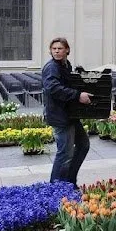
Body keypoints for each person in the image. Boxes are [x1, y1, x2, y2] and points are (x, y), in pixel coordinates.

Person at [42, 38, 91, 185]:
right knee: (64, 154)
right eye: (54, 49)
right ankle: (56, 187)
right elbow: (53, 88)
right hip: (60, 116)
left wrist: (79, 76)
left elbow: (68, 83)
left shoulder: (65, 65)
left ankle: (69, 181)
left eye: (60, 48)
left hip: (70, 115)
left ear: (67, 50)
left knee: (83, 145)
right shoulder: (52, 67)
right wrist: (77, 95)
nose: (56, 51)